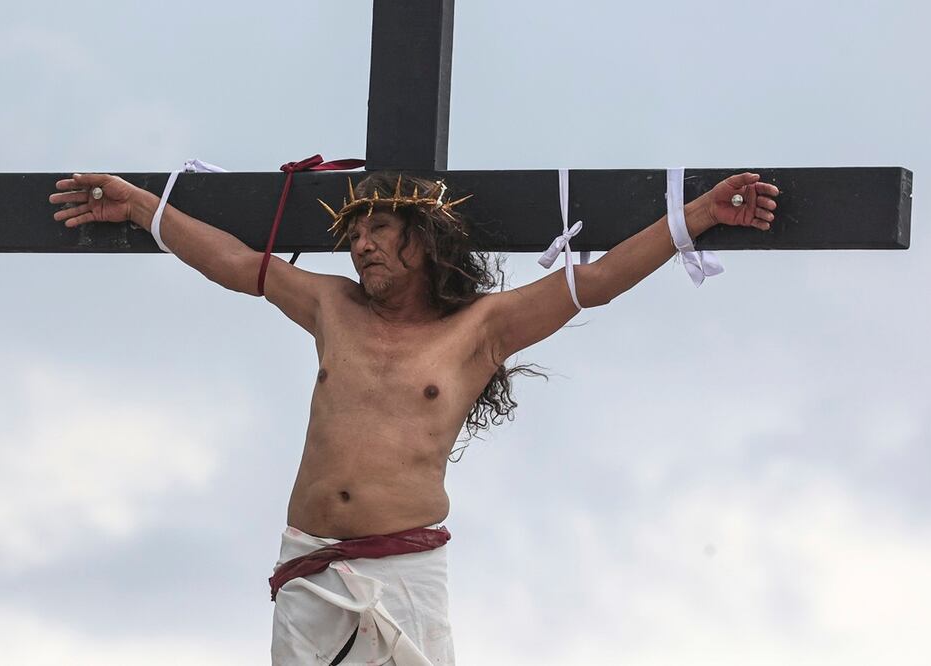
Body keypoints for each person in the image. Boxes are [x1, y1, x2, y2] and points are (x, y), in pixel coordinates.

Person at [49, 170, 779, 664]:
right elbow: (239, 264)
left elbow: (597, 280)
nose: (360, 245)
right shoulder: (331, 305)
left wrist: (697, 215)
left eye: (377, 229)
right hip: (308, 560)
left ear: (422, 240)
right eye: (353, 235)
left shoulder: (481, 328)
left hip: (404, 569)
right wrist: (141, 205)